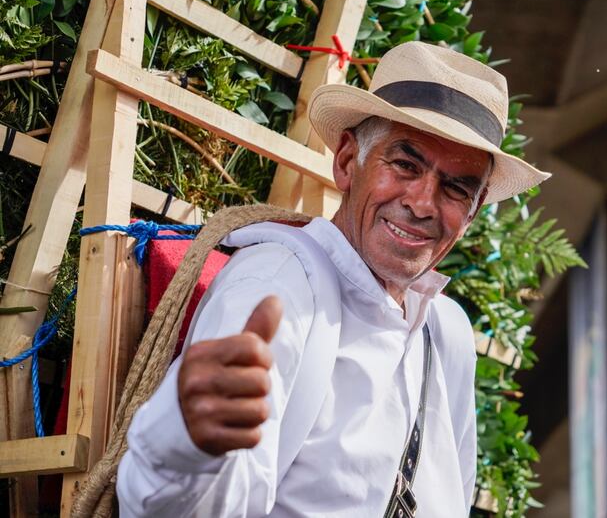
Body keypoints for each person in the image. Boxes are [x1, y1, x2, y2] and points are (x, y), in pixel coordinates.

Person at [116, 41, 550, 517]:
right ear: (347, 162)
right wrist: (184, 445)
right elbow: (197, 506)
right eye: (405, 165)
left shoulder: (446, 331)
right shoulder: (280, 286)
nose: (423, 203)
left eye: (455, 188)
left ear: (471, 212)